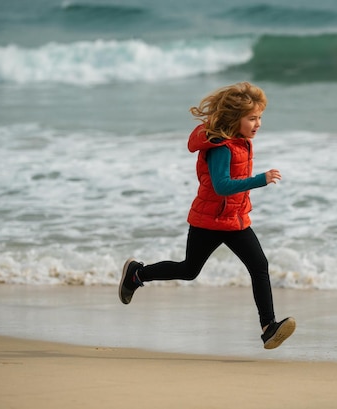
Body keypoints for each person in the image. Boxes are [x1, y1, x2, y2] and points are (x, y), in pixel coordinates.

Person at [119, 82, 295, 350]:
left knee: (259, 266)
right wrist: (261, 179)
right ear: (235, 119)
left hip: (235, 220)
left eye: (260, 117)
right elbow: (221, 185)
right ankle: (137, 274)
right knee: (189, 270)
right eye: (252, 118)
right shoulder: (221, 147)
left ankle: (268, 328)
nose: (258, 123)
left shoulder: (241, 141)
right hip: (209, 222)